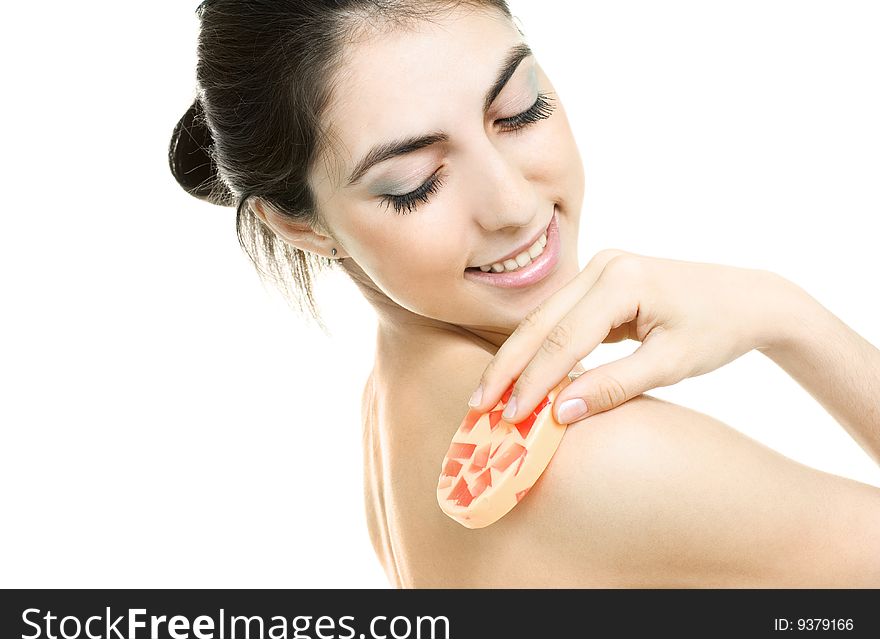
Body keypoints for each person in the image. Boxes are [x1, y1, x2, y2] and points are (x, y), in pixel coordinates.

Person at [169, 0, 880, 587]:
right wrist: (785, 315)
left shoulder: (401, 402)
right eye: (414, 183)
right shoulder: (595, 458)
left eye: (520, 109)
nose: (511, 203)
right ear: (300, 224)